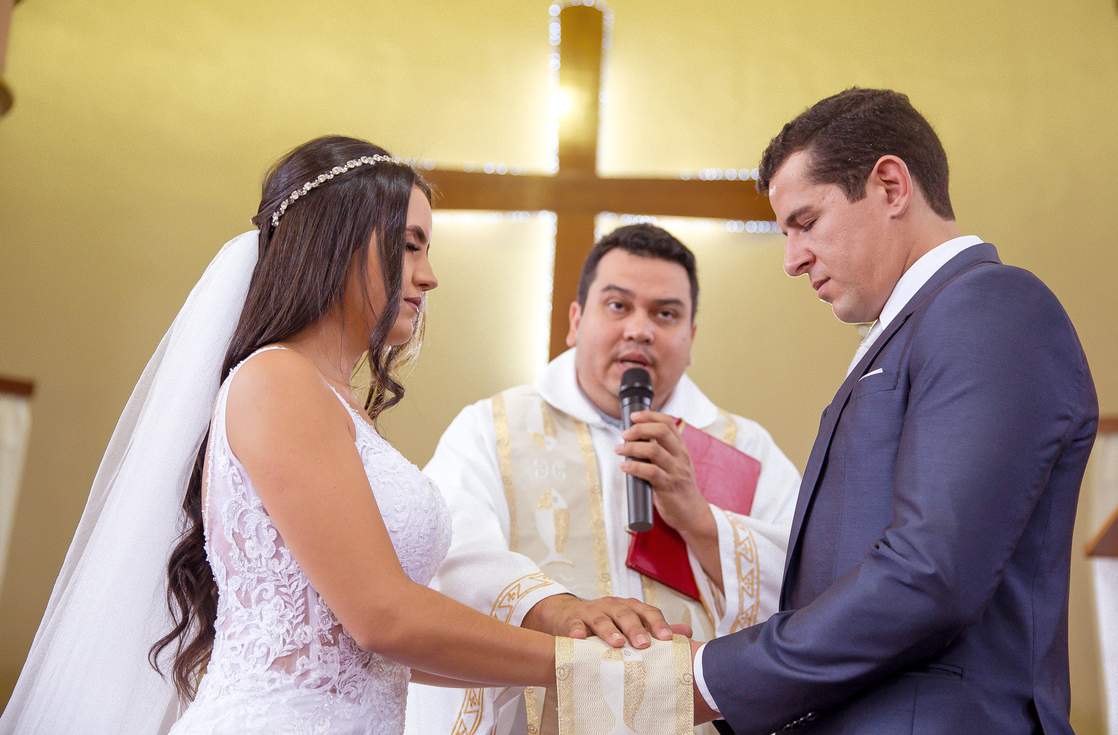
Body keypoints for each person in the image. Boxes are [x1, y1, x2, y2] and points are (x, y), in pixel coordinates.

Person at [0, 136, 675, 735]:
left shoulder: (339, 407)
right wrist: (592, 669)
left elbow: (369, 653)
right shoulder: (278, 382)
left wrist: (560, 639)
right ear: (338, 240)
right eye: (409, 245)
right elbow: (384, 617)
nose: (429, 275)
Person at [691, 89, 1099, 734]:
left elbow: (931, 572)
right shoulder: (913, 330)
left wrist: (713, 680)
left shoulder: (990, 307)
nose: (791, 260)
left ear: (888, 186)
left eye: (805, 222)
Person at [409, 224, 802, 735]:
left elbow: (810, 582)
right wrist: (560, 611)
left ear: (691, 338)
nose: (640, 329)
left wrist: (704, 525)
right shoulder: (492, 428)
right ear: (576, 321)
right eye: (618, 306)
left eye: (666, 313)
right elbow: (450, 550)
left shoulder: (742, 447)